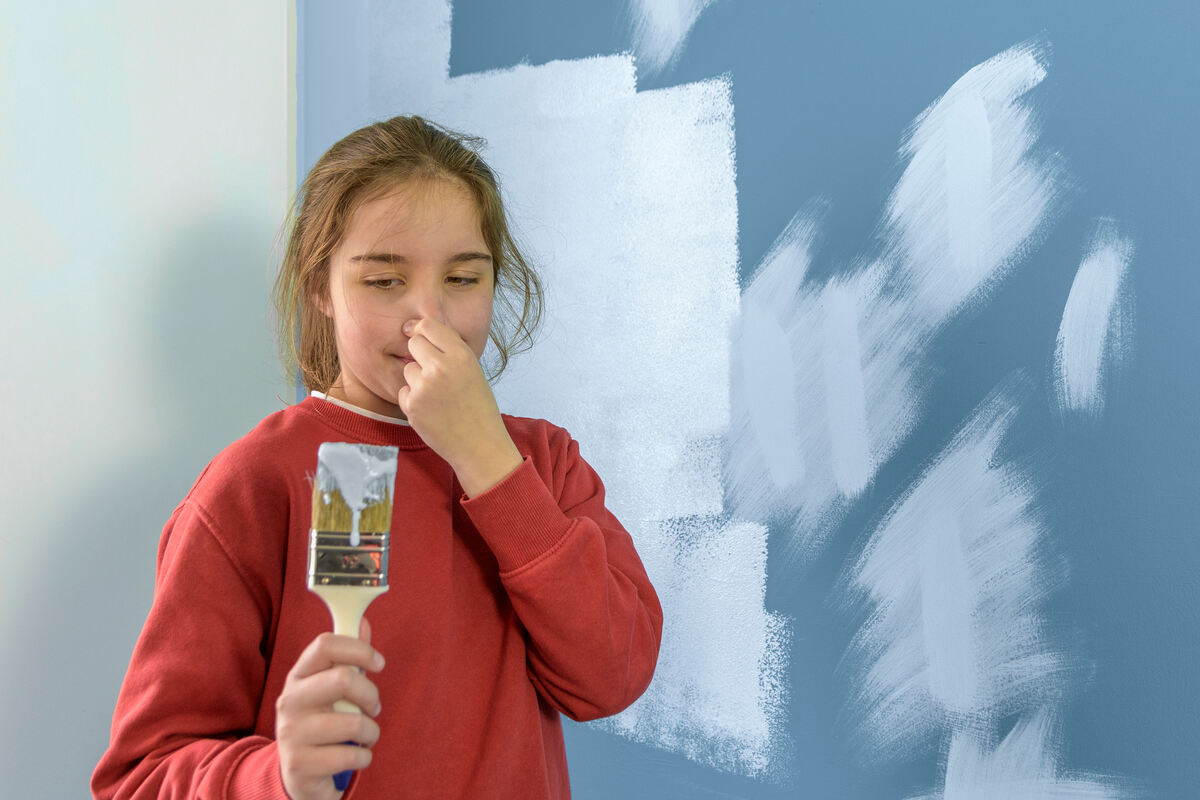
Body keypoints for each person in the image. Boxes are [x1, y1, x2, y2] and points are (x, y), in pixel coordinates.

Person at [92, 115, 663, 800]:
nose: (429, 318)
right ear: (318, 289)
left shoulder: (544, 463)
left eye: (462, 278)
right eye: (384, 281)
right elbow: (139, 779)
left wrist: (489, 461)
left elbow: (612, 677)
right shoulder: (254, 487)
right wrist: (274, 777)